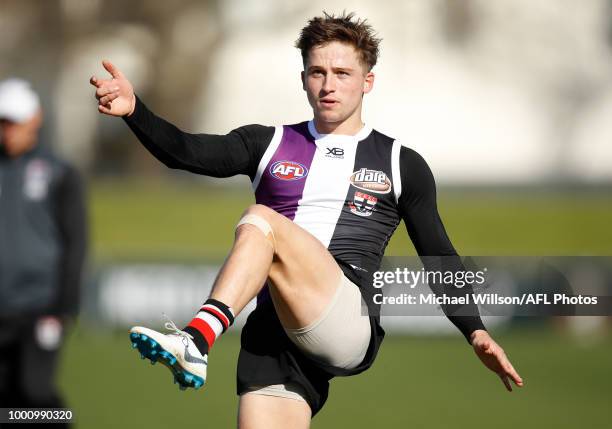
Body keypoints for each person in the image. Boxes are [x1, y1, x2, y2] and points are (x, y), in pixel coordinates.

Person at [90, 12, 522, 428]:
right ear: (303, 80)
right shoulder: (269, 142)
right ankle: (198, 342)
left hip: (347, 319)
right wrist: (134, 111)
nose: (328, 85)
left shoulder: (399, 163)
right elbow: (186, 151)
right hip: (277, 327)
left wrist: (475, 330)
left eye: (342, 73)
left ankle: (197, 339)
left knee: (262, 220)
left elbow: (438, 253)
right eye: (317, 72)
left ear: (367, 81)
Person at [0, 78, 87, 419]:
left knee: (35, 393)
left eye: (13, 122)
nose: (7, 131)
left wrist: (65, 304)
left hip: (40, 303)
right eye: (2, 123)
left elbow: (75, 240)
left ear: (34, 119)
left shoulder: (58, 171)